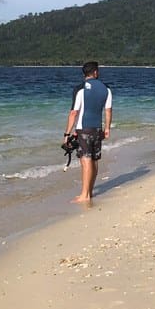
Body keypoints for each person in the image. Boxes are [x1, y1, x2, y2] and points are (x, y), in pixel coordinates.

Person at [63, 61, 113, 203]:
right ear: (96, 72)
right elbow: (108, 110)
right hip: (97, 129)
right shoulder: (106, 88)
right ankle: (89, 192)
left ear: (84, 73)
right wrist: (107, 129)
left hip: (83, 128)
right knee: (94, 159)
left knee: (85, 161)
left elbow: (74, 113)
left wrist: (67, 134)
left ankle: (84, 195)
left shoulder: (79, 89)